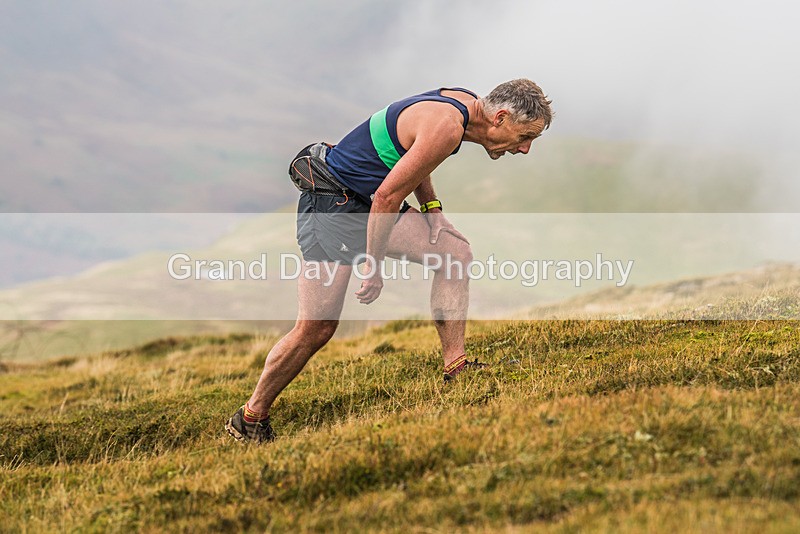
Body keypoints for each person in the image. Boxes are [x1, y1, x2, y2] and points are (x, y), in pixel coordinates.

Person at [226, 79, 553, 443]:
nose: (524, 149)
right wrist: (374, 267)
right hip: (333, 207)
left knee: (454, 254)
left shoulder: (462, 104)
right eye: (526, 137)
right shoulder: (448, 124)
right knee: (316, 328)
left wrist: (432, 209)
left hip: (366, 201)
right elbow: (387, 196)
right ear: (502, 117)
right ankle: (250, 417)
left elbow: (414, 153)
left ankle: (456, 366)